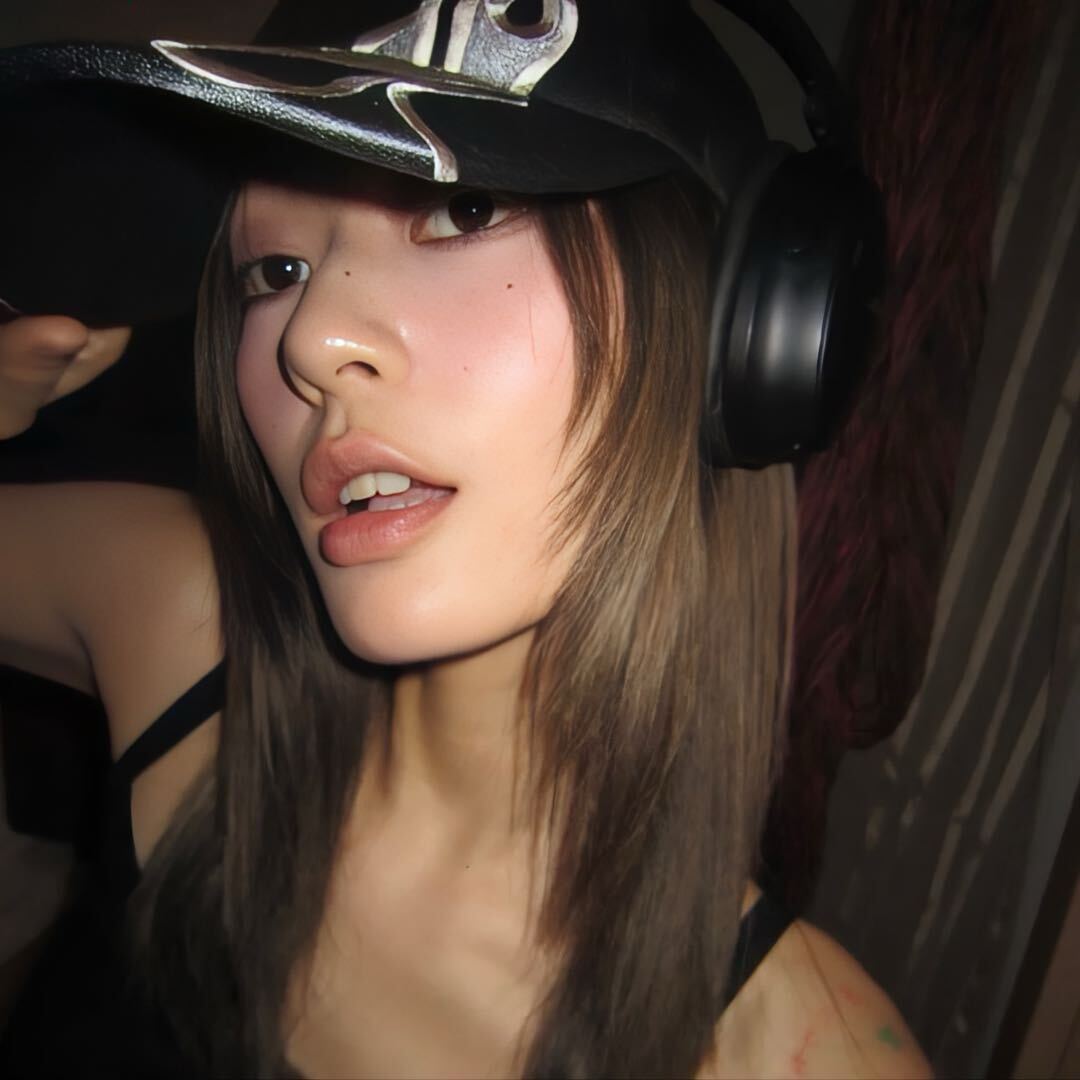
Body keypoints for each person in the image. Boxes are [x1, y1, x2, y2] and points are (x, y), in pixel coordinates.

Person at [0, 1, 932, 1076]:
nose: (312, 338)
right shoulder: (176, 615)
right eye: (275, 273)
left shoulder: (814, 1057)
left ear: (740, 332)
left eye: (464, 208)